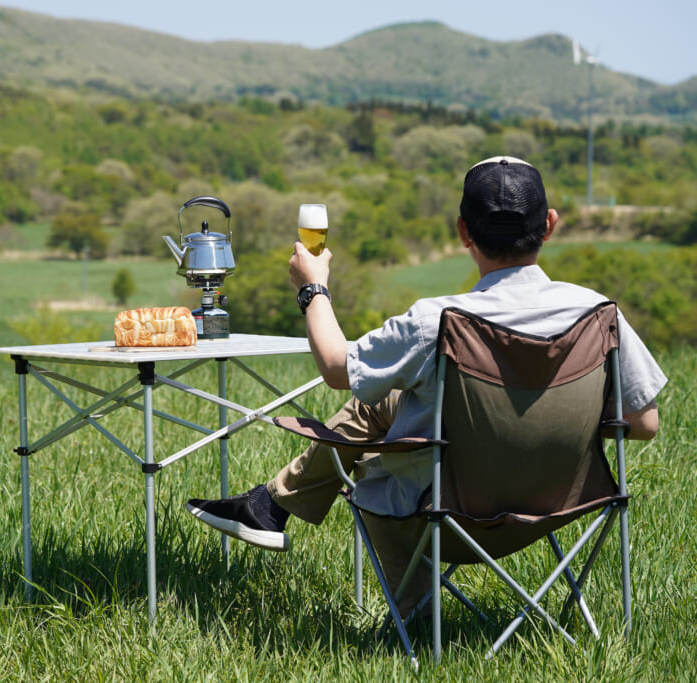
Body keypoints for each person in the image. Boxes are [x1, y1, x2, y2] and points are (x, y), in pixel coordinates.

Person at [185, 156, 667, 615]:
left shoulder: (436, 321)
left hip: (450, 517)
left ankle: (416, 616)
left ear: (463, 232)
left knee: (372, 468)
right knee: (383, 403)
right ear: (550, 225)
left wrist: (313, 287)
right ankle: (271, 504)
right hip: (564, 504)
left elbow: (336, 368)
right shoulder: (599, 314)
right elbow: (644, 422)